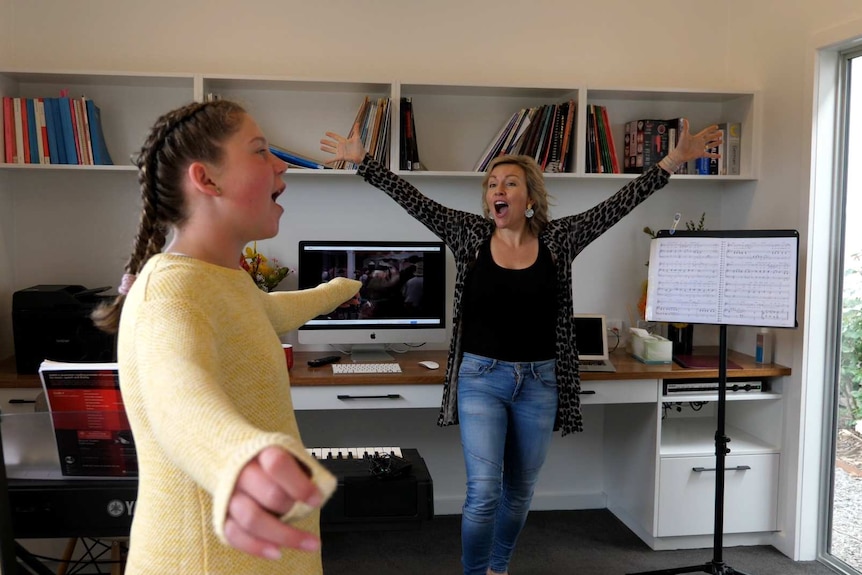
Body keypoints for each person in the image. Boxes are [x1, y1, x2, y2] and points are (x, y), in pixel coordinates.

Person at [320, 119, 721, 575]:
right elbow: (414, 201)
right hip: (480, 378)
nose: (498, 188)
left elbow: (618, 205)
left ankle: (498, 567)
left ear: (530, 197)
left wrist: (671, 161)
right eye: (492, 183)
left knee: (520, 490)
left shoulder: (559, 239)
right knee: (484, 491)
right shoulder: (469, 234)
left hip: (540, 380)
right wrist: (364, 163)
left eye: (510, 182)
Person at [91, 99, 361, 575]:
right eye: (260, 152)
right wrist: (237, 459)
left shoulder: (220, 280)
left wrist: (338, 290)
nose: (281, 164)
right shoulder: (169, 291)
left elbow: (262, 311)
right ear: (207, 180)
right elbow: (176, 391)